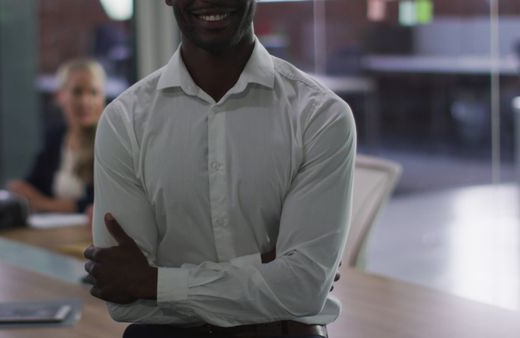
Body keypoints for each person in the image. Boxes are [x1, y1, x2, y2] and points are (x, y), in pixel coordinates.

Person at [84, 1, 356, 337]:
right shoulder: (125, 122)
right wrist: (262, 267)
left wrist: (155, 283)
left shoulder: (320, 116)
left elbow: (303, 290)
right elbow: (124, 298)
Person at [8, 59, 105, 213]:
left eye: (94, 92)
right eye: (77, 92)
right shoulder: (56, 135)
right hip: (56, 231)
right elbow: (34, 184)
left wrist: (42, 203)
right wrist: (20, 189)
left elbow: (96, 203)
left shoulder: (108, 141)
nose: (86, 101)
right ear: (60, 96)